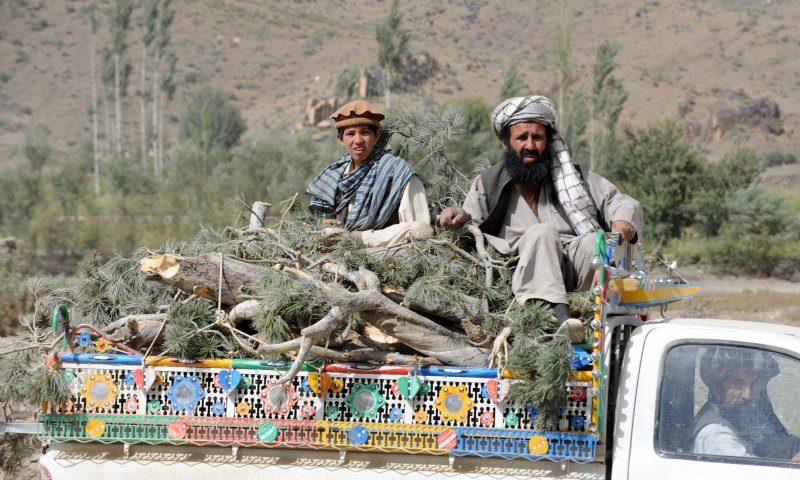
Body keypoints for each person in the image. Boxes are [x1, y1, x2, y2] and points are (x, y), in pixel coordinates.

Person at [437, 95, 642, 341]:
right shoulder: (488, 183)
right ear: (505, 143)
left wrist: (623, 219)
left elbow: (619, 201)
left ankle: (587, 315)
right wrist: (453, 217)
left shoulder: (572, 179)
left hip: (572, 271)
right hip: (518, 272)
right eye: (522, 138)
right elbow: (470, 221)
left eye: (537, 138)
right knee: (542, 233)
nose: (530, 146)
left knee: (592, 241)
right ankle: (557, 316)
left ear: (548, 141)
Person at [306, 100, 433, 247]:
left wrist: (362, 238)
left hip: (386, 255)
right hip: (342, 255)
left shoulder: (397, 172)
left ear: (377, 135)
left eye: (365, 133)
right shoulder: (334, 175)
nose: (358, 140)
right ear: (340, 139)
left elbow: (422, 231)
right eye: (350, 134)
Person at [691, 346, 800, 460]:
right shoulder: (715, 436)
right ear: (717, 387)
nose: (747, 395)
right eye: (738, 384)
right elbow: (760, 475)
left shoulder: (742, 414)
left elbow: (780, 445)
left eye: (753, 384)